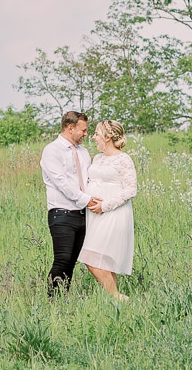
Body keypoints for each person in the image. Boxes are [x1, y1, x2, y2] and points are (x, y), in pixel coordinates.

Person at [40, 111, 101, 296]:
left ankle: (63, 299)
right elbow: (62, 183)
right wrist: (87, 200)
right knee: (62, 258)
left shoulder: (83, 152)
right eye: (82, 130)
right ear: (70, 128)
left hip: (83, 214)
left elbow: (89, 179)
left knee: (72, 260)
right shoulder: (52, 151)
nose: (86, 134)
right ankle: (52, 300)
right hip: (62, 213)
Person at [78, 120, 137, 301]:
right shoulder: (98, 158)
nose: (93, 137)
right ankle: (116, 300)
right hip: (94, 215)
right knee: (101, 258)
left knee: (90, 257)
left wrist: (105, 205)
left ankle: (117, 297)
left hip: (114, 213)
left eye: (96, 133)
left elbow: (130, 189)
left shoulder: (123, 159)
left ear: (108, 137)